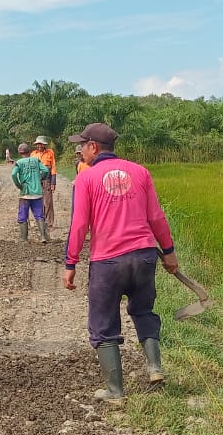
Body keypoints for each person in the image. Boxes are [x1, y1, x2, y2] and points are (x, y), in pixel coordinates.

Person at [62, 123, 178, 401]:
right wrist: (169, 251)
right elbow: (156, 216)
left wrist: (70, 263)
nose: (81, 151)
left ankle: (115, 390)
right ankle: (155, 368)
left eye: (83, 146)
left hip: (108, 262)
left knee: (103, 323)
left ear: (93, 147)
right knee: (143, 311)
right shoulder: (140, 172)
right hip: (144, 256)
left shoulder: (86, 179)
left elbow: (79, 225)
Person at [11, 142, 48, 243]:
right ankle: (43, 237)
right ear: (29, 151)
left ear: (20, 152)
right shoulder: (36, 160)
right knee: (39, 215)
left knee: (23, 215)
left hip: (25, 193)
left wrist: (19, 185)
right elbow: (45, 170)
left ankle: (23, 238)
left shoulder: (19, 162)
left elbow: (13, 174)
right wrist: (41, 178)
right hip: (37, 193)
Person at [32, 136, 57, 228]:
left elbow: (53, 167)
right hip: (36, 179)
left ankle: (49, 222)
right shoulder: (33, 154)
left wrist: (53, 182)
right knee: (38, 200)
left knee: (48, 201)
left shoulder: (50, 152)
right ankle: (40, 221)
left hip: (47, 179)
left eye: (41, 144)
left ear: (44, 145)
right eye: (38, 144)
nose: (39, 146)